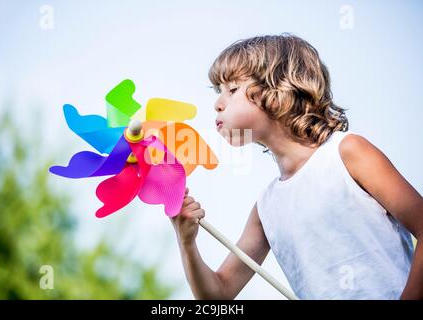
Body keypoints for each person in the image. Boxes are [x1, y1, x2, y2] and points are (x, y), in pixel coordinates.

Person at [170, 34, 423, 300]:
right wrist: (186, 242)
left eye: (232, 90)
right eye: (218, 92)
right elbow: (217, 296)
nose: (217, 104)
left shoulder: (347, 153)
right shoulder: (266, 207)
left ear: (277, 91)